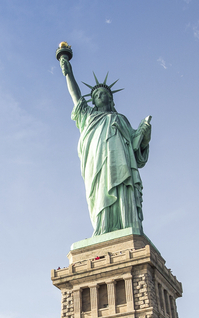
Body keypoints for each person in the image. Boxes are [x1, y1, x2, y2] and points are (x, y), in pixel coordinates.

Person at [58, 51, 152, 237]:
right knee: (101, 193)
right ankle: (103, 228)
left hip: (122, 166)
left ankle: (127, 224)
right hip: (97, 163)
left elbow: (136, 149)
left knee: (124, 189)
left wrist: (144, 133)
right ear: (92, 100)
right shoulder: (88, 116)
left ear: (111, 98)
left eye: (104, 93)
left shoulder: (121, 119)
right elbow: (76, 96)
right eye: (97, 94)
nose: (101, 96)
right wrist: (68, 72)